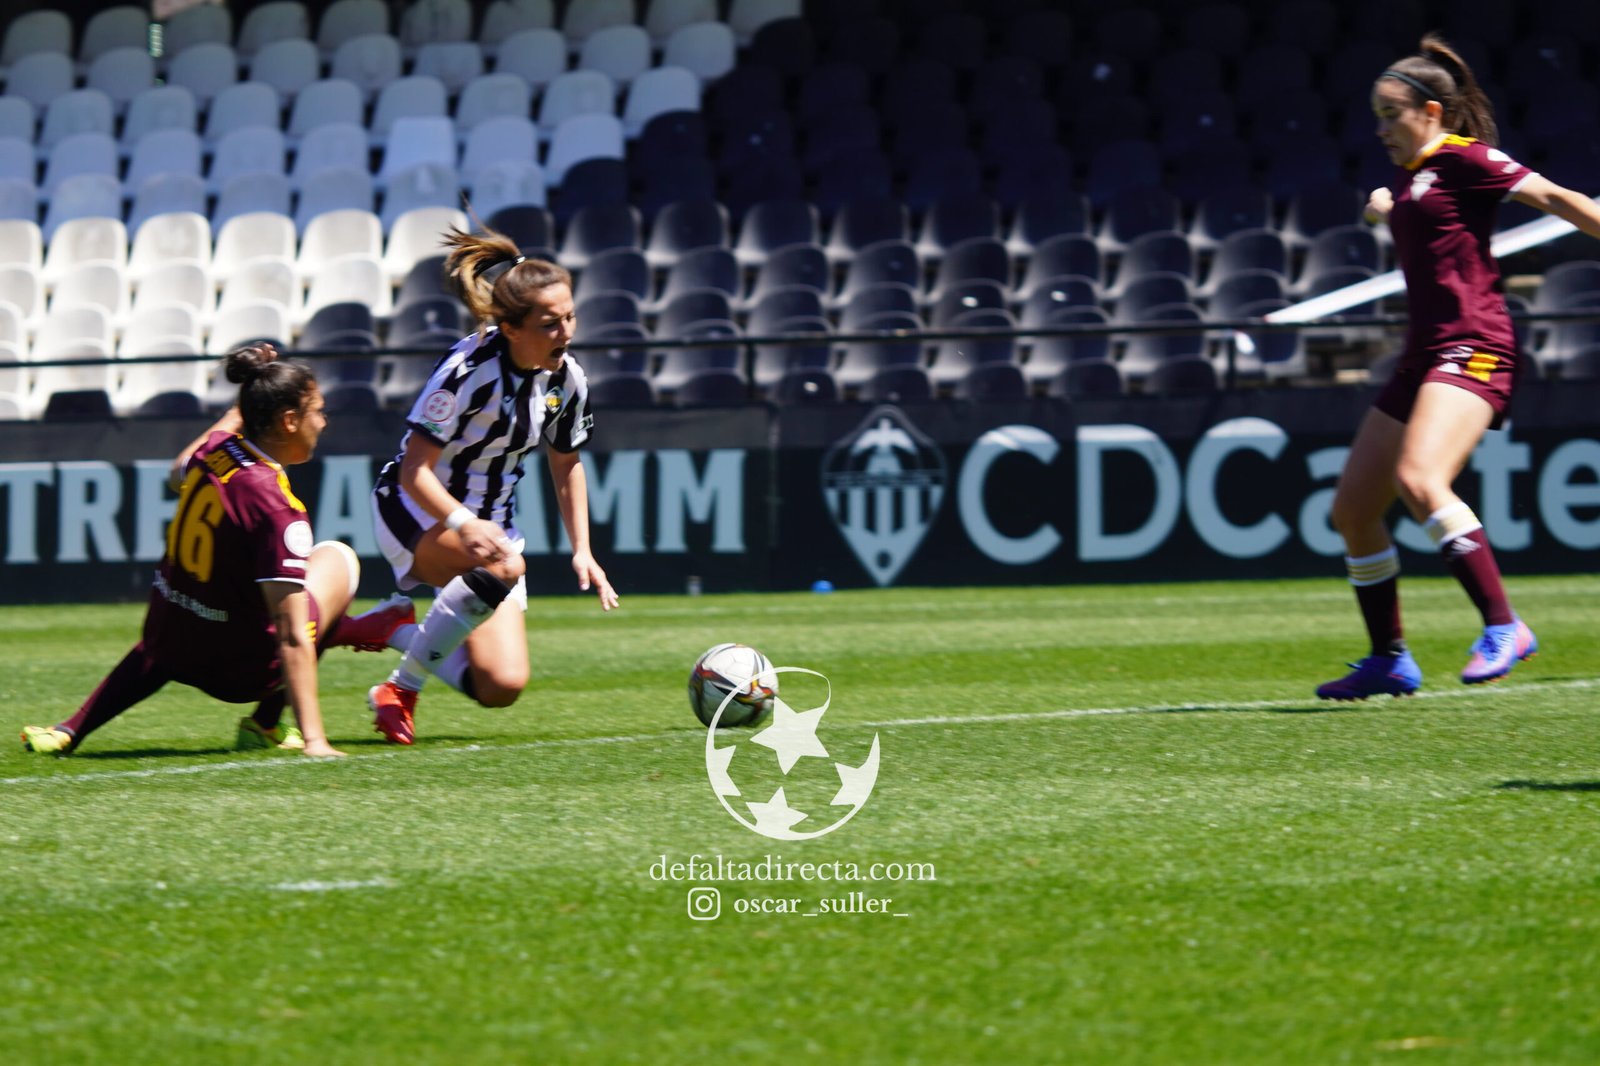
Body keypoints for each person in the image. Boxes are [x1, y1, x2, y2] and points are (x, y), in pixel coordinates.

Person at [1317, 34, 1600, 700]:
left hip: (1475, 343)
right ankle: (1389, 658)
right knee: (1353, 510)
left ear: (1433, 112)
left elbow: (1559, 199)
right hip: (1424, 351)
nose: (1382, 128)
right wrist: (1384, 208)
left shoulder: (1467, 159)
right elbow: (1422, 217)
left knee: (1421, 479)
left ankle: (1505, 625)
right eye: (1377, 117)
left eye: (1393, 114)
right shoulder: (1413, 179)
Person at [20, 345, 414, 757]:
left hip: (166, 644)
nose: (324, 421)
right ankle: (265, 723)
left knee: (203, 606)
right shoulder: (277, 508)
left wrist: (246, 397)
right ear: (290, 420)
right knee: (337, 560)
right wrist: (316, 741)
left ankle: (70, 729)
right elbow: (293, 635)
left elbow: (177, 473)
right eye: (318, 410)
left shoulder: (216, 452)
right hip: (239, 674)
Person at [367, 226, 619, 745]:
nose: (566, 332)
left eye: (570, 317)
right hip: (415, 511)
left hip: (491, 532)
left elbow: (566, 461)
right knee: (504, 564)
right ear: (510, 327)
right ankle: (400, 689)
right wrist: (463, 521)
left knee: (501, 686)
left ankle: (390, 628)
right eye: (550, 324)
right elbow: (415, 467)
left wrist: (583, 550)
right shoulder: (466, 372)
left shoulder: (567, 380)